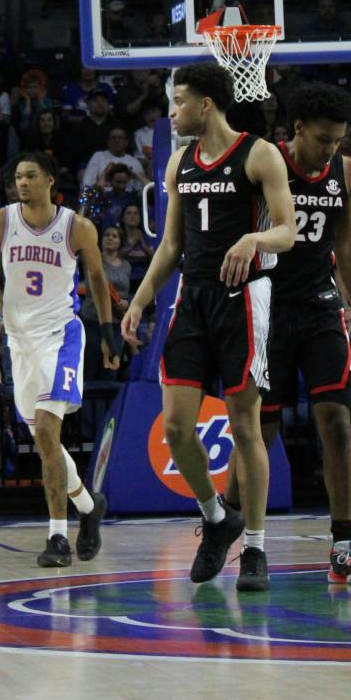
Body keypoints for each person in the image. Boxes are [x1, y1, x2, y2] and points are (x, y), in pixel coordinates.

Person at [121, 63, 298, 594]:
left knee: (246, 427)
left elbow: (287, 230)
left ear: (205, 104)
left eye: (179, 101)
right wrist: (139, 300)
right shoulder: (179, 163)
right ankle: (218, 519)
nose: (172, 112)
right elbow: (171, 245)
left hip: (241, 302)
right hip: (191, 302)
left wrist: (254, 241)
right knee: (176, 426)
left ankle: (258, 549)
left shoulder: (258, 153)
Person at [225, 83, 351, 581]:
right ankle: (225, 525)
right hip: (267, 306)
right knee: (259, 433)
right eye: (321, 140)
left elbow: (347, 241)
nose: (329, 150)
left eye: (337, 141)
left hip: (319, 307)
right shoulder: (265, 163)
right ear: (296, 131)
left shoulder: (346, 171)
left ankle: (344, 546)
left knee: (336, 420)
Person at [0, 153, 113, 570]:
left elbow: (97, 281)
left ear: (50, 181)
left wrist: (108, 336)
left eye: (30, 175)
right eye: (17, 176)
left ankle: (57, 535)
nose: (22, 182)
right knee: (44, 441)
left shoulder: (77, 227)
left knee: (49, 431)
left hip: (61, 337)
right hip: (19, 342)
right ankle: (90, 506)